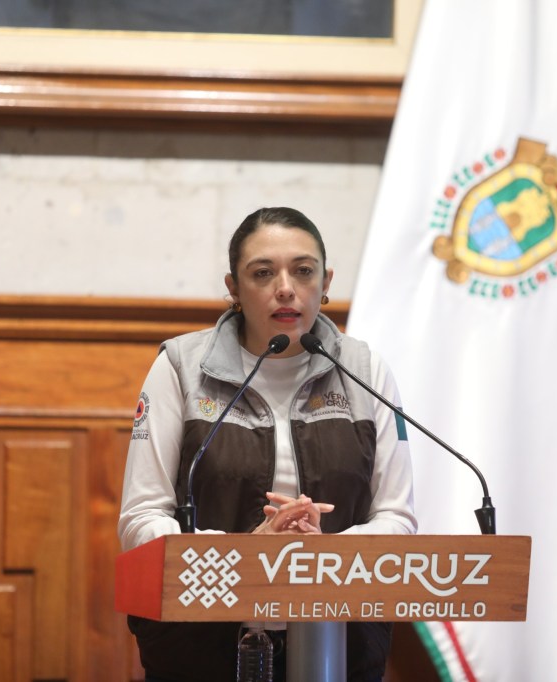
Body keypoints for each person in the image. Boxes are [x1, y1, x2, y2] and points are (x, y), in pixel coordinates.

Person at [118, 207, 417, 681]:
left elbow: (397, 518)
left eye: (303, 271)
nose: (285, 288)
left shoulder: (367, 371)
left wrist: (326, 555)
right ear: (233, 289)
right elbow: (141, 518)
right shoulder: (180, 367)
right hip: (202, 646)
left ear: (326, 281)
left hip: (339, 642)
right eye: (262, 273)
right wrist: (243, 556)